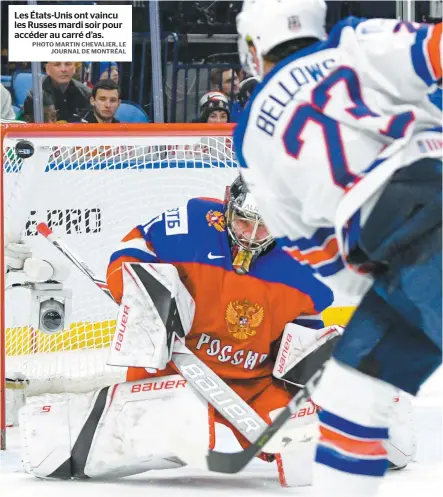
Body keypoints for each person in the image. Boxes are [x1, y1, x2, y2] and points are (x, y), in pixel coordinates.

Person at [235, 0, 441, 495]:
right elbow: (435, 49)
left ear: (251, 47)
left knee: (351, 401)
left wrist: (373, 287)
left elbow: (313, 247)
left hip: (402, 244)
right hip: (422, 219)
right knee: (350, 391)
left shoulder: (252, 135)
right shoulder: (351, 42)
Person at [23, 62, 91, 123]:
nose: (63, 69)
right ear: (48, 69)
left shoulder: (86, 94)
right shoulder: (36, 96)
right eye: (57, 64)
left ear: (74, 69)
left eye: (68, 64)